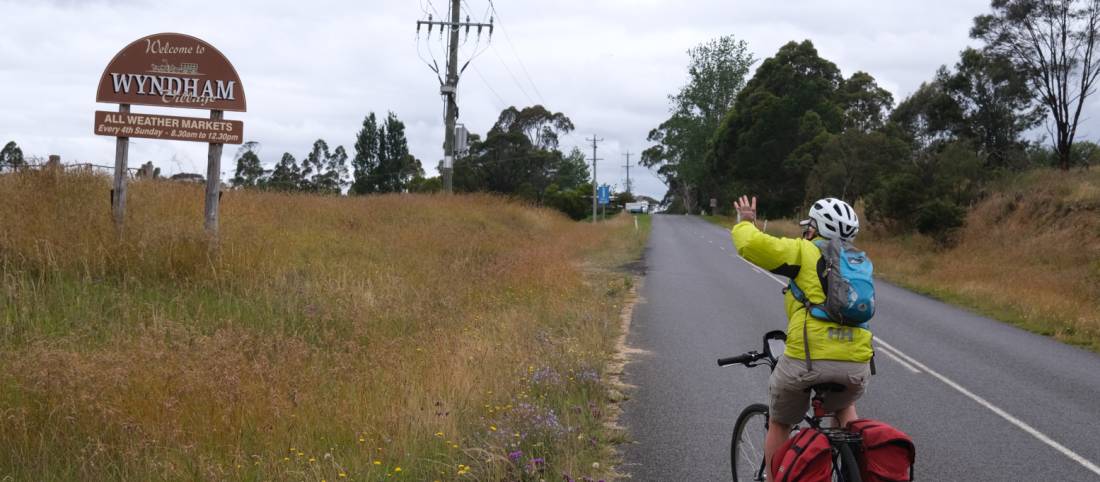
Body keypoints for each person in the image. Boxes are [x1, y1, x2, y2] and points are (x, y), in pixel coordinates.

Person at [730, 195, 873, 476]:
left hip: (807, 359)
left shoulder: (804, 251)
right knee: (844, 406)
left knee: (781, 421)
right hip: (857, 363)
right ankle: (854, 471)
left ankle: (776, 478)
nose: (806, 231)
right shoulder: (859, 263)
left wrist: (747, 223)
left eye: (809, 225)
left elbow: (752, 245)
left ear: (816, 227)